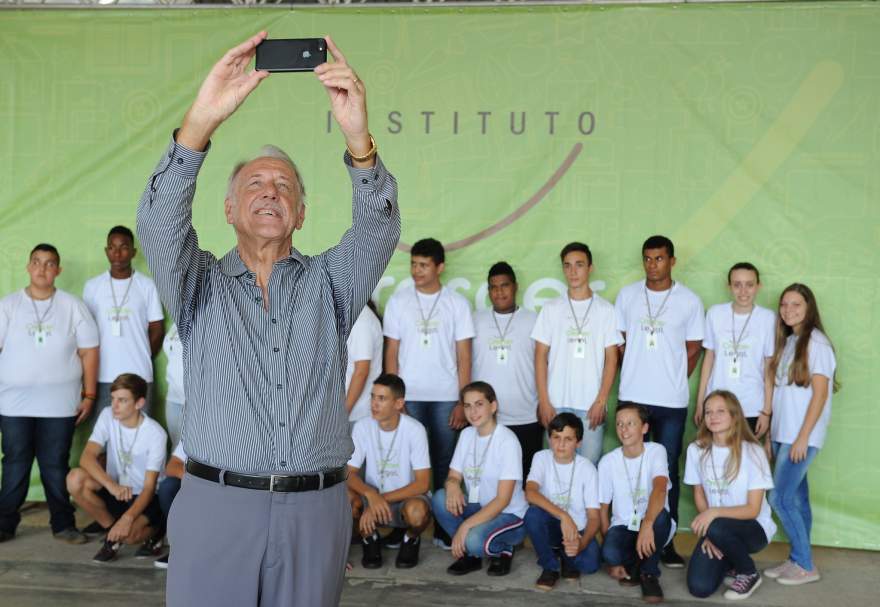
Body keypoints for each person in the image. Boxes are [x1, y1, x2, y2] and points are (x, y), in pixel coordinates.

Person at [135, 32, 399, 607]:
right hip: (216, 505)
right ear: (229, 209)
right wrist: (200, 122)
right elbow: (157, 222)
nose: (270, 191)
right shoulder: (196, 282)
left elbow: (378, 230)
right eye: (254, 182)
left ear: (301, 213)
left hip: (315, 510)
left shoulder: (330, 282)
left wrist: (358, 139)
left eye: (284, 185)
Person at [0, 244, 99, 544]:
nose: (42, 269)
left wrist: (90, 394)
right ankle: (4, 524)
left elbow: (89, 352)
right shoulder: (8, 305)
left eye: (49, 264)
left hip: (59, 404)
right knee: (15, 463)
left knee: (55, 464)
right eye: (37, 263)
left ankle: (63, 524)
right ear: (28, 267)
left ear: (58, 270)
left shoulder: (73, 306)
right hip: (13, 404)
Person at [615, 235, 704, 567]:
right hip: (633, 398)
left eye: (660, 258)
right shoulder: (627, 296)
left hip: (670, 401)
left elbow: (694, 348)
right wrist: (638, 370)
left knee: (665, 472)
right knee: (633, 468)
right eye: (648, 259)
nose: (653, 264)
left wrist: (673, 376)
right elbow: (619, 343)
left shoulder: (690, 301)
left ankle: (665, 541)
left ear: (672, 261)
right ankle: (629, 534)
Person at [384, 237, 475, 548]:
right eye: (413, 264)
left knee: (444, 463)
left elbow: (465, 356)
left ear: (440, 267)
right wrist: (395, 398)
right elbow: (391, 353)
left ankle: (443, 526)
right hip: (408, 397)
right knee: (408, 464)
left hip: (446, 396)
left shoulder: (457, 303)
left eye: (423, 265)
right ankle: (405, 524)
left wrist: (463, 401)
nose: (416, 271)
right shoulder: (399, 301)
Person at [764, 284, 837, 586]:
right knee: (798, 499)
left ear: (809, 307)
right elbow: (784, 396)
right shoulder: (791, 341)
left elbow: (820, 394)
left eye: (796, 304)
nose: (788, 310)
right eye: (784, 304)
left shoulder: (817, 343)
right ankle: (797, 559)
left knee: (779, 498)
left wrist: (803, 437)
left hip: (800, 436)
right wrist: (771, 435)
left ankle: (806, 565)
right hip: (784, 433)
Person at [533, 242, 622, 464]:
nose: (573, 271)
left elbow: (612, 358)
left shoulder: (605, 310)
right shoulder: (551, 308)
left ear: (590, 268)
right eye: (567, 266)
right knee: (555, 470)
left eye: (579, 265)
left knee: (589, 469)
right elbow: (540, 357)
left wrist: (601, 401)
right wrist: (544, 401)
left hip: (590, 405)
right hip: (555, 403)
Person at [684, 390, 775, 601]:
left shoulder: (753, 451)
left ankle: (748, 571)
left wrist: (712, 521)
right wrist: (710, 534)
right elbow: (699, 493)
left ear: (734, 416)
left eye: (720, 411)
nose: (712, 417)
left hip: (753, 528)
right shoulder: (696, 450)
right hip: (717, 527)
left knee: (717, 526)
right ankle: (731, 561)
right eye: (708, 412)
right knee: (699, 587)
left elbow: (753, 509)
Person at [66, 373, 167, 563]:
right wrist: (112, 486)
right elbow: (86, 458)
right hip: (118, 490)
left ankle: (158, 530)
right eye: (113, 399)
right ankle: (112, 536)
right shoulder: (107, 415)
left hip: (146, 497)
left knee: (130, 535)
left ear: (139, 403)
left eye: (122, 400)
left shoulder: (155, 434)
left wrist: (127, 519)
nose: (115, 406)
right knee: (75, 479)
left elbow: (149, 488)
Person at [432, 382, 528, 577]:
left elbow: (503, 500)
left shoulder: (507, 441)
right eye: (467, 406)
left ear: (493, 406)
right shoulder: (467, 435)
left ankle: (503, 549)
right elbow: (453, 476)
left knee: (474, 541)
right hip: (480, 507)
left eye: (479, 404)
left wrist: (465, 526)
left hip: (510, 515)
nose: (473, 411)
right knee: (440, 498)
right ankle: (471, 555)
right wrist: (452, 486)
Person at [347, 374, 431, 569]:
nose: (374, 404)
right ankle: (370, 537)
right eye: (373, 397)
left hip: (404, 499)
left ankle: (410, 539)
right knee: (347, 499)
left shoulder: (414, 429)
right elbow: (348, 473)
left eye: (382, 398)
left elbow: (422, 483)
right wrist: (370, 494)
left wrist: (381, 498)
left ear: (399, 403)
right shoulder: (362, 426)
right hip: (373, 498)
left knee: (417, 513)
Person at [83, 225, 164, 416]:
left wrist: (141, 353)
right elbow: (86, 332)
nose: (117, 253)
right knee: (104, 435)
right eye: (112, 247)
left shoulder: (147, 285)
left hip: (139, 374)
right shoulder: (93, 287)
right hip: (102, 374)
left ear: (134, 252)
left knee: (141, 432)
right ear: (106, 251)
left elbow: (157, 328)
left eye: (124, 247)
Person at [598, 403, 674, 604]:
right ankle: (636, 560)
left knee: (661, 518)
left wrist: (647, 524)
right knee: (610, 553)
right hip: (624, 526)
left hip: (653, 522)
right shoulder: (608, 461)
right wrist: (609, 551)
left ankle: (649, 573)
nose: (624, 429)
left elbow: (660, 487)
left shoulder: (656, 451)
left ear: (644, 428)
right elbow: (603, 509)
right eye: (620, 424)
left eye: (630, 423)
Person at [472, 261, 540, 479]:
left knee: (526, 477)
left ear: (515, 287)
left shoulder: (534, 320)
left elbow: (544, 365)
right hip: (486, 417)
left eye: (504, 285)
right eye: (493, 287)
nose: (499, 292)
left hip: (526, 415)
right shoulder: (475, 320)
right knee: (488, 478)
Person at [523, 413, 601, 591]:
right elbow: (531, 492)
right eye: (556, 437)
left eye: (568, 439)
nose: (561, 444)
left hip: (577, 531)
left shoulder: (587, 468)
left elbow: (594, 517)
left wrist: (581, 544)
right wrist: (563, 516)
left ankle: (567, 557)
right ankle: (549, 566)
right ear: (549, 438)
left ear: (578, 443)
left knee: (590, 565)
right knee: (532, 514)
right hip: (551, 525)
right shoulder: (541, 458)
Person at [696, 263, 775, 435]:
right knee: (716, 459)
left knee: (743, 459)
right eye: (737, 284)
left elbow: (770, 367)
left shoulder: (768, 318)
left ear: (758, 286)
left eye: (749, 284)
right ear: (729, 286)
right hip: (716, 405)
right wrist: (700, 402)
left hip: (752, 406)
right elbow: (709, 358)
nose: (743, 291)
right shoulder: (715, 314)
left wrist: (767, 411)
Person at [346, 301, 383, 425]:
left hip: (355, 414)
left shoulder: (361, 322)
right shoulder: (351, 316)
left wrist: (341, 414)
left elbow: (361, 372)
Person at [153, 440, 187, 569]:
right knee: (168, 487)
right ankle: (180, 549)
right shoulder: (198, 430)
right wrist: (191, 480)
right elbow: (172, 466)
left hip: (228, 486)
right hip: (197, 484)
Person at [162, 323, 184, 448]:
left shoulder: (207, 320)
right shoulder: (175, 323)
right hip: (173, 398)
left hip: (195, 400)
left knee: (195, 453)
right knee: (177, 449)